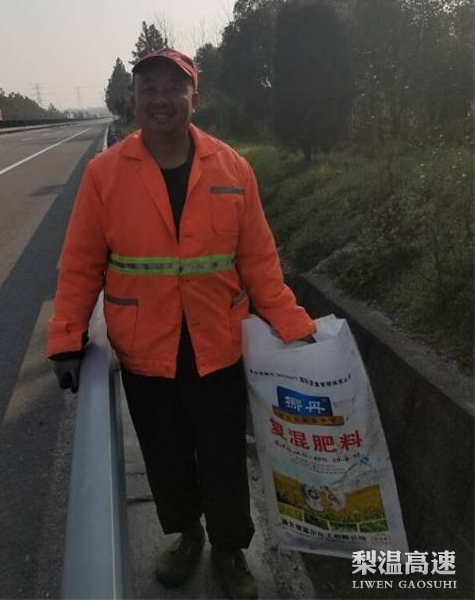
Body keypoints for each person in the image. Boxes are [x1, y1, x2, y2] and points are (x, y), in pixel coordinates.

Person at [47, 48, 316, 599]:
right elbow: (80, 263)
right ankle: (187, 535)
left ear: (196, 97)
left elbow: (259, 261)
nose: (160, 99)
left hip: (218, 345)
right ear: (133, 101)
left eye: (174, 87)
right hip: (146, 349)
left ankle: (230, 547)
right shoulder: (105, 175)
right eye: (149, 88)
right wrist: (66, 337)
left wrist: (292, 324)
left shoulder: (232, 168)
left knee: (222, 454)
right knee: (165, 455)